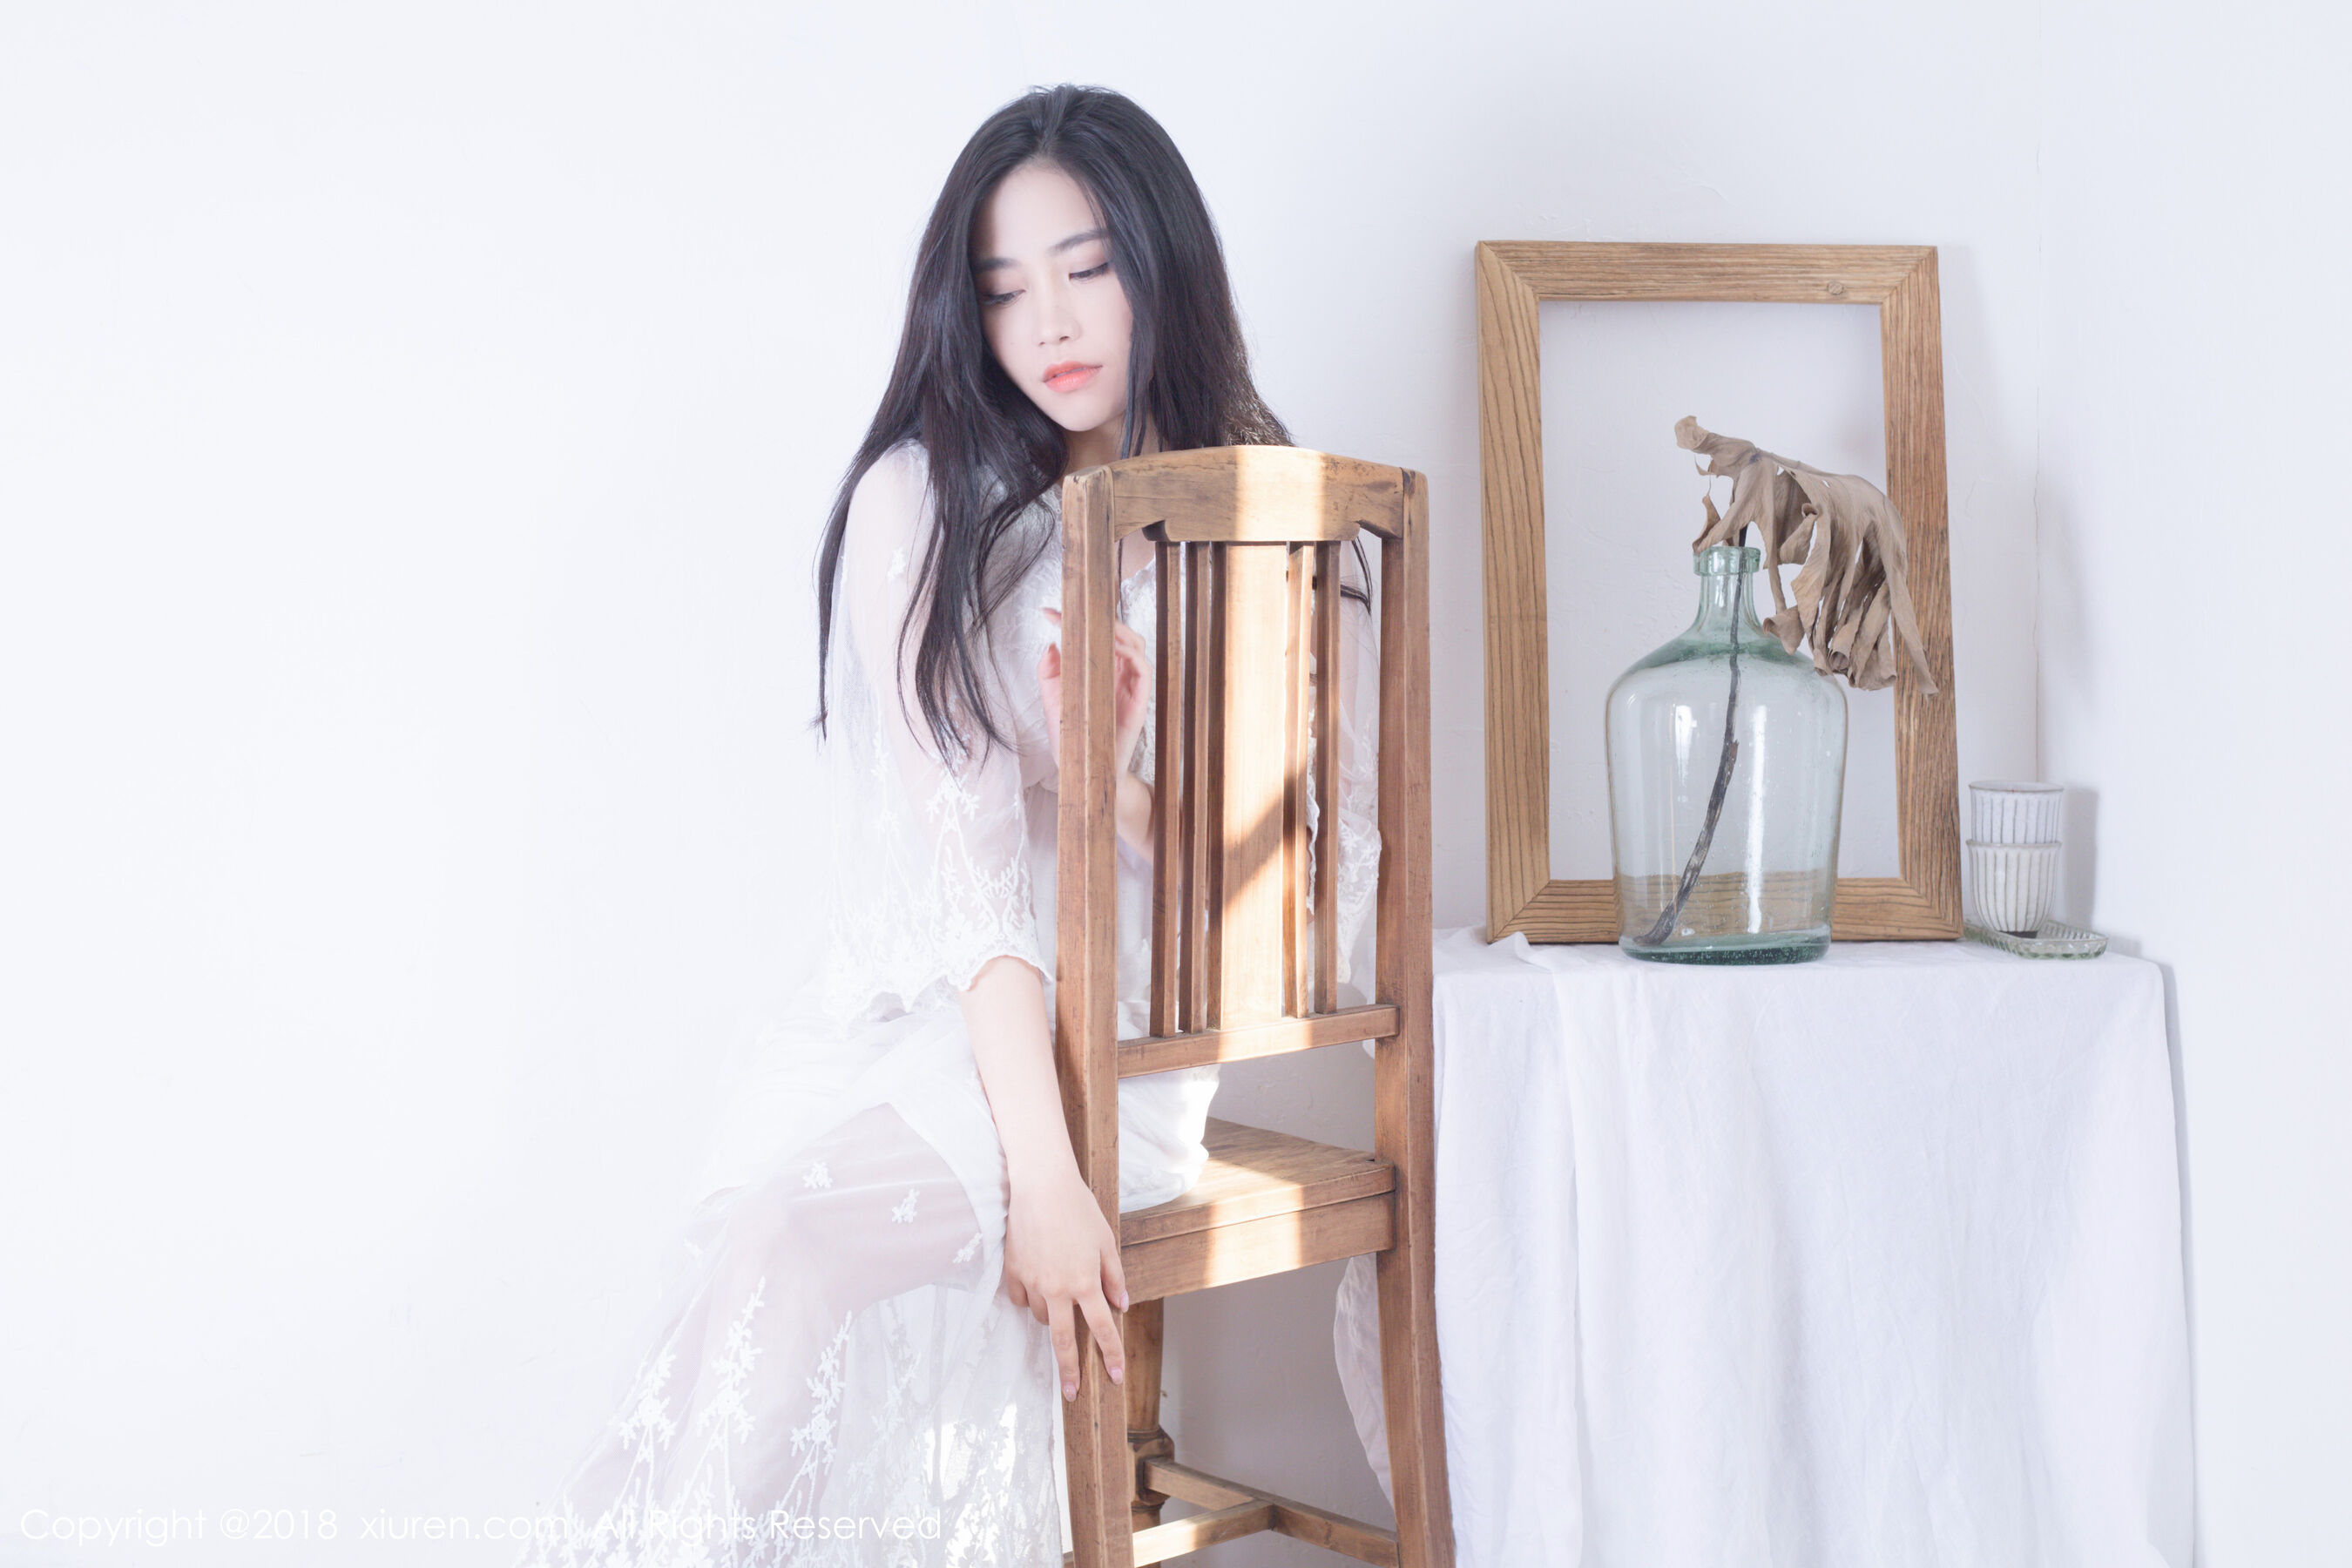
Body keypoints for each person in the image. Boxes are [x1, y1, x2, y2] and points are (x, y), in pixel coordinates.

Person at [516, 83, 1382, 1567]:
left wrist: (1108, 780)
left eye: (1087, 267)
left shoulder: (1267, 526)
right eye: (1003, 288)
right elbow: (970, 881)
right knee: (759, 1250)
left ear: (1165, 263)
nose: (1050, 321)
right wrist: (1035, 1178)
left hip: (1130, 1062)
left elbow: (1290, 926)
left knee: (785, 1247)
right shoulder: (928, 509)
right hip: (954, 1018)